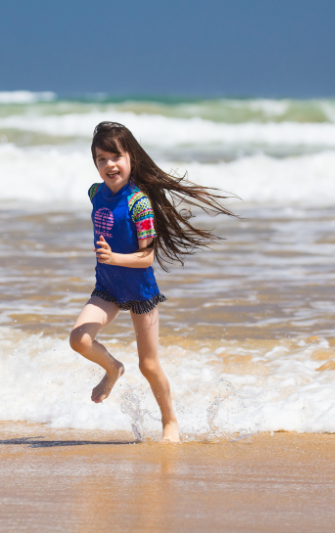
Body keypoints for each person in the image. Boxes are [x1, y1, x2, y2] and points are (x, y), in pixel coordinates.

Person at [68, 121, 239, 443]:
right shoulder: (95, 193)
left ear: (130, 156)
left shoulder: (139, 203)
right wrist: (110, 262)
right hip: (107, 288)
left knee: (148, 365)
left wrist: (114, 257)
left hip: (140, 291)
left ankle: (169, 421)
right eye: (101, 159)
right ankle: (112, 369)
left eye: (114, 156)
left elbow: (146, 258)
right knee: (78, 340)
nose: (108, 165)